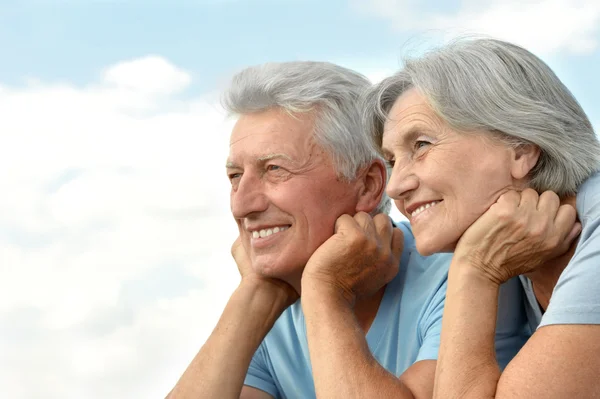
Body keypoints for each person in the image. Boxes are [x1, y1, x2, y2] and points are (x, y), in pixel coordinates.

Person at [166, 61, 528, 398]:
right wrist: (250, 301)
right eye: (234, 177)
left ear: (368, 184)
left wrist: (325, 292)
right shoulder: (269, 308)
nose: (242, 205)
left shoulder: (466, 270)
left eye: (274, 169)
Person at [362, 37, 600, 398]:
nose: (394, 186)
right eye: (393, 161)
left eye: (421, 145)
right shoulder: (504, 243)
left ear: (521, 149)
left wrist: (475, 269)